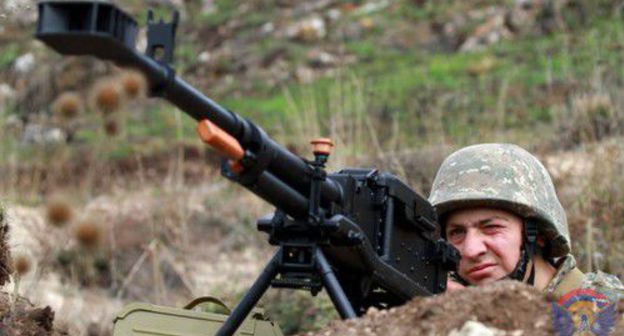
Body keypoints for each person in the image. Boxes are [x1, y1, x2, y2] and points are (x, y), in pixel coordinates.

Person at [428, 143, 624, 301]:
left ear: (536, 234)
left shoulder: (608, 313)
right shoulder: (440, 315)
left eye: (491, 228)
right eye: (457, 233)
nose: (471, 250)